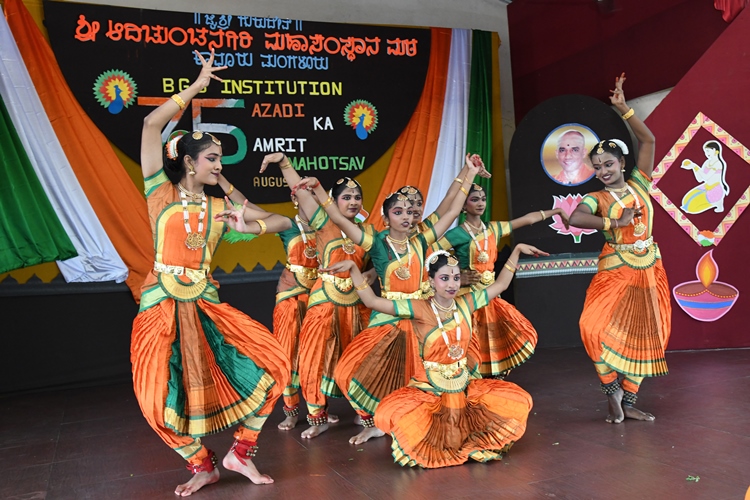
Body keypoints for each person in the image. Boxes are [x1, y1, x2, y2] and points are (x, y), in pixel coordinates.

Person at [131, 50, 292, 496]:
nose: (220, 166)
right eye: (213, 159)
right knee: (155, 398)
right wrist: (197, 87)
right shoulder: (159, 192)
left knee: (275, 367)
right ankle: (202, 465)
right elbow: (150, 126)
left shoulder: (220, 207)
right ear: (190, 162)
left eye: (221, 159)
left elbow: (282, 220)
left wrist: (249, 225)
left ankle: (240, 453)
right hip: (161, 304)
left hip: (205, 304)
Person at [297, 155, 484, 444]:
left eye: (409, 212)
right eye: (398, 212)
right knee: (352, 370)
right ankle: (375, 421)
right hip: (388, 314)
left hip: (421, 315)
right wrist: (320, 189)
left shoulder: (421, 240)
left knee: (422, 372)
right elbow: (337, 218)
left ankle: (423, 420)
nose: (406, 216)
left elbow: (451, 210)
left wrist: (469, 173)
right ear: (385, 218)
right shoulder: (375, 242)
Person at [324, 245, 544, 468]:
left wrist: (516, 251)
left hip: (462, 384)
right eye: (444, 278)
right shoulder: (419, 308)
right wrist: (353, 269)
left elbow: (501, 285)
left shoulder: (467, 302)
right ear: (431, 281)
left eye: (456, 278)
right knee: (390, 415)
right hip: (429, 387)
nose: (452, 284)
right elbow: (372, 302)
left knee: (519, 400)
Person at [569, 73, 671, 424]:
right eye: (597, 167)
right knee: (592, 327)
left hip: (650, 268)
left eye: (609, 164)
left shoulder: (640, 183)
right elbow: (576, 218)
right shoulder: (596, 197)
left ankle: (628, 400)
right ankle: (610, 390)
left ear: (622, 164)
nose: (603, 171)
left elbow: (648, 139)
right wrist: (614, 222)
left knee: (651, 333)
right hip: (615, 269)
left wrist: (625, 109)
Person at [260, 155, 375, 438]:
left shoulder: (369, 232)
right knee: (312, 359)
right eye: (346, 197)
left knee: (360, 360)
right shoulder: (323, 222)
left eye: (357, 197)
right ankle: (317, 417)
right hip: (323, 304)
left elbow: (376, 269)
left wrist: (366, 276)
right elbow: (301, 192)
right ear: (333, 201)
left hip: (357, 306)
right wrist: (284, 163)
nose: (353, 202)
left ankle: (366, 415)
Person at [432, 184, 570, 378]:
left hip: (492, 293)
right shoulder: (457, 234)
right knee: (470, 338)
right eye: (474, 199)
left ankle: (491, 374)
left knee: (495, 334)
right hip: (468, 296)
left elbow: (527, 219)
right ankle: (467, 376)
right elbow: (430, 256)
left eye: (483, 199)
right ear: (463, 205)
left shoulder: (493, 228)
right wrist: (457, 277)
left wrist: (556, 211)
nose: (480, 203)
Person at [272, 194, 319, 430]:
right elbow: (254, 216)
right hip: (290, 298)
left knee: (317, 355)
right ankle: (291, 410)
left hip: (318, 297)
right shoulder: (287, 225)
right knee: (288, 353)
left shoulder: (327, 228)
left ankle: (319, 410)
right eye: (308, 198)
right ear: (296, 200)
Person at [680, 140, 730, 214]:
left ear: (715, 150)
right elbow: (700, 179)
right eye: (705, 151)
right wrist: (693, 168)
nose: (706, 153)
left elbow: (706, 177)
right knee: (686, 201)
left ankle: (717, 202)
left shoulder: (718, 164)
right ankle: (718, 203)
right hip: (706, 187)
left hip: (715, 189)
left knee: (691, 207)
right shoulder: (707, 162)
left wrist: (695, 166)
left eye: (708, 151)